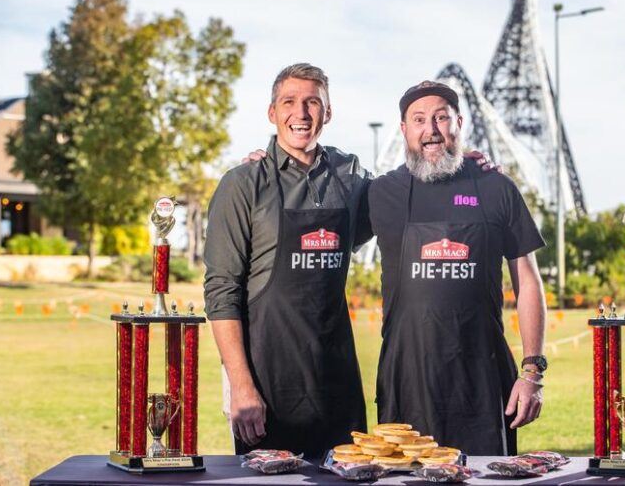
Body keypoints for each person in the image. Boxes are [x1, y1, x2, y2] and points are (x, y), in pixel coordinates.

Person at [368, 80, 548, 455]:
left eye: (441, 118)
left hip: (481, 380)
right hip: (407, 381)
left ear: (459, 123)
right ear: (404, 129)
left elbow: (527, 281)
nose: (431, 129)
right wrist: (259, 168)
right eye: (418, 119)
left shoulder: (496, 188)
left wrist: (532, 372)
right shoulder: (381, 192)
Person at [203, 63, 371, 457]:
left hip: (337, 382)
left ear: (327, 113)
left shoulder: (351, 176)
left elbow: (406, 198)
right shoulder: (242, 184)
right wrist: (241, 385)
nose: (302, 113)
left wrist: (457, 162)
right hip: (266, 383)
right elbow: (221, 292)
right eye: (289, 102)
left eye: (313, 102)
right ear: (272, 112)